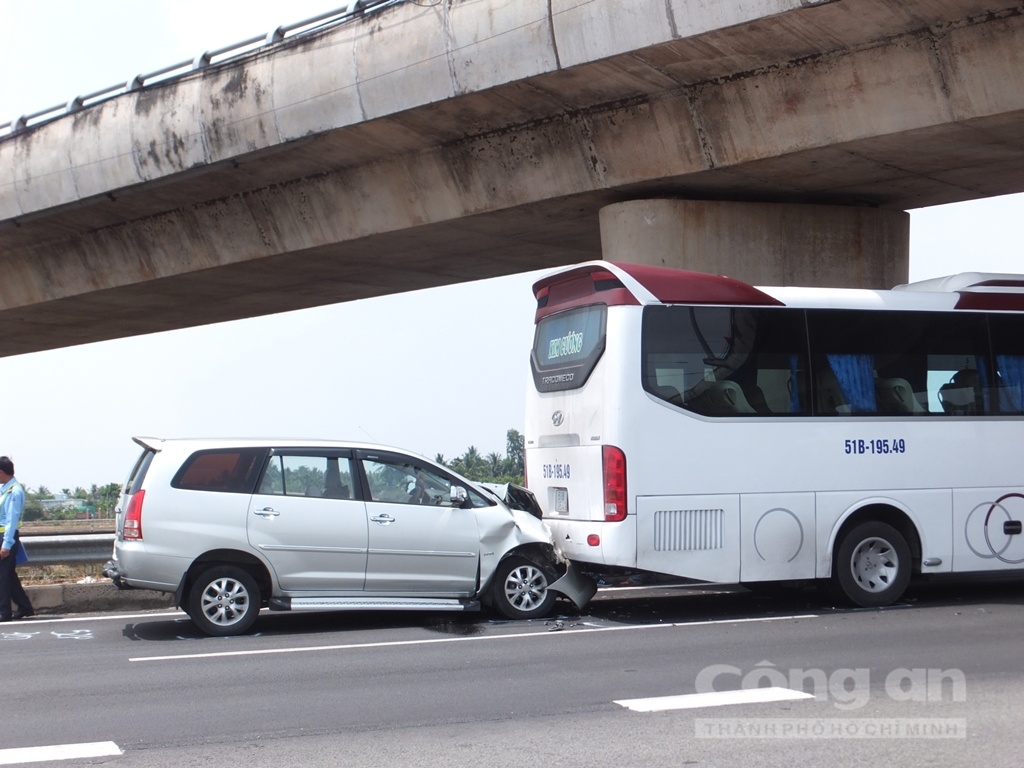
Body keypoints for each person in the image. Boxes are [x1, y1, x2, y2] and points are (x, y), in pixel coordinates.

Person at [0, 456, 34, 621]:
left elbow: (11, 520)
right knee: (8, 574)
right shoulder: (5, 490)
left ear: (1, 473)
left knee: (2, 576)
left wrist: (6, 544)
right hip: (4, 536)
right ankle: (25, 606)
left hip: (6, 537)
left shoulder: (14, 491)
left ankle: (4, 612)